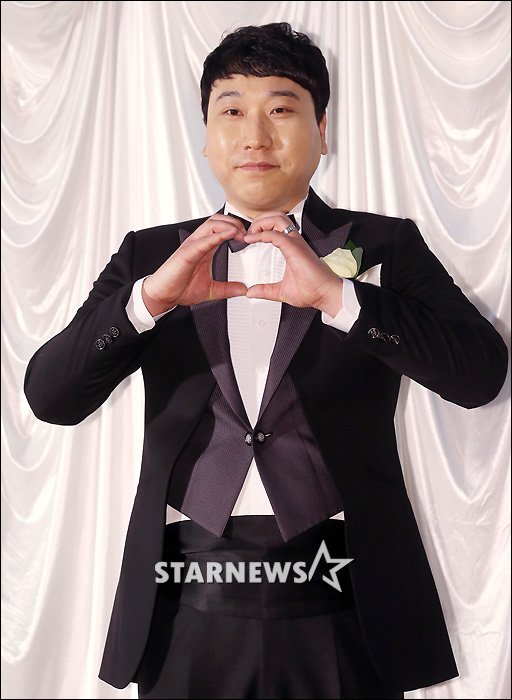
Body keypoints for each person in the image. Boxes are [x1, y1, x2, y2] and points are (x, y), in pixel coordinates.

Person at [24, 22, 507, 700]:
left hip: (349, 608)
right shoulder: (151, 256)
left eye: (281, 109)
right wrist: (148, 303)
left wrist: (341, 299)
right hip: (185, 610)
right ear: (206, 134)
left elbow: (480, 375)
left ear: (322, 129)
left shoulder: (385, 246)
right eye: (231, 111)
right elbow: (51, 397)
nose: (255, 135)